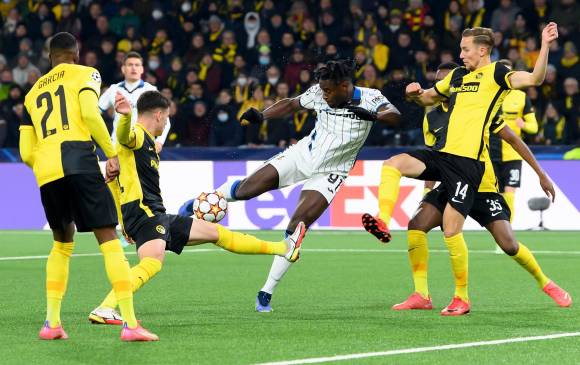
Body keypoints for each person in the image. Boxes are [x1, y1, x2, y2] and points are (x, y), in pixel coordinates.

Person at [362, 24, 559, 315]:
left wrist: (544, 45)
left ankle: (463, 298)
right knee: (395, 166)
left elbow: (535, 78)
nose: (461, 54)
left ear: (482, 50)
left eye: (465, 49)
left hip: (471, 166)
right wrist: (414, 92)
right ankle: (385, 224)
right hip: (444, 158)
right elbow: (429, 97)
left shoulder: (497, 74)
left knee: (474, 234)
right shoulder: (456, 77)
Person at [180, 59, 401, 312]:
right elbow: (291, 104)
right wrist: (261, 115)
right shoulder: (319, 92)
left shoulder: (371, 97)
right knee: (246, 191)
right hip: (302, 155)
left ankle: (266, 292)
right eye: (322, 89)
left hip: (332, 172)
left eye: (329, 90)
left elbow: (395, 115)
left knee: (297, 225)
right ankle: (198, 203)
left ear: (343, 85)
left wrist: (373, 115)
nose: (324, 94)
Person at [88, 91, 306, 324]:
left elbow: (115, 178)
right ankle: (105, 307)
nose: (166, 124)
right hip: (145, 213)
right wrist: (124, 117)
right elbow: (122, 137)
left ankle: (283, 248)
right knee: (152, 263)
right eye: (167, 117)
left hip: (152, 215)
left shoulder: (146, 144)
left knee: (216, 233)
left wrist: (126, 223)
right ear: (159, 115)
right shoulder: (138, 135)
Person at [393, 62, 570, 315]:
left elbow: (514, 139)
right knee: (417, 224)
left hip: (483, 184)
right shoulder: (431, 118)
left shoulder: (480, 110)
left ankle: (546, 283)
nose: (444, 89)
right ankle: (421, 294)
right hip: (452, 181)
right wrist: (427, 192)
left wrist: (541, 174)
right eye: (439, 84)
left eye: (448, 84)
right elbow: (434, 158)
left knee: (508, 244)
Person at [18, 32, 157, 341]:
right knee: (108, 238)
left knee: (62, 243)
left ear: (49, 56)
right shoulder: (86, 74)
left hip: (47, 172)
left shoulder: (31, 94)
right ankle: (130, 325)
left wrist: (45, 164)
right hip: (79, 161)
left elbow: (26, 152)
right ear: (76, 54)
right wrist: (110, 153)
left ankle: (52, 324)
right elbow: (89, 114)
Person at [490, 59, 538, 222]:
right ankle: (496, 225)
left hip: (513, 154)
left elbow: (534, 128)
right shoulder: (488, 96)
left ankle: (507, 227)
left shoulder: (522, 97)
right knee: (495, 193)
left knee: (510, 192)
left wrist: (523, 124)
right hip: (490, 152)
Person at [98, 51, 171, 153]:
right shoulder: (113, 89)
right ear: (123, 69)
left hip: (143, 146)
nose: (133, 68)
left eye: (137, 65)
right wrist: (103, 139)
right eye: (130, 65)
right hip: (118, 146)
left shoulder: (151, 90)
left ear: (142, 69)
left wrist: (159, 142)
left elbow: (165, 120)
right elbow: (95, 114)